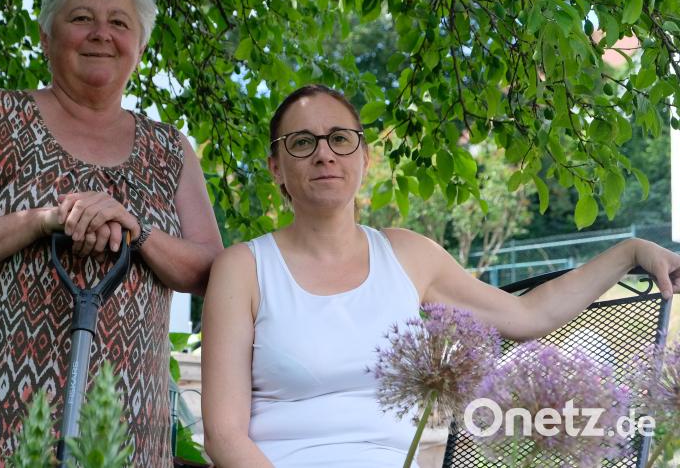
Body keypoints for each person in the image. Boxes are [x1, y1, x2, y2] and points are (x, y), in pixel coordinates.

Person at [200, 84, 680, 467]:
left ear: (364, 158)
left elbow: (529, 313)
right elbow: (224, 437)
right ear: (276, 168)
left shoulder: (409, 256)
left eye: (340, 138)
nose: (324, 154)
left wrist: (629, 252)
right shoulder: (243, 268)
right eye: (301, 142)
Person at [0, 0, 223, 467]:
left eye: (119, 22)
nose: (101, 33)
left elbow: (214, 269)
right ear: (46, 36)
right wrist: (42, 221)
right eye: (81, 18)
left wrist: (136, 231)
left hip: (125, 426)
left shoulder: (170, 150)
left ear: (139, 45)